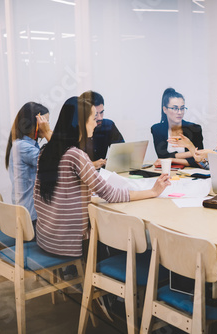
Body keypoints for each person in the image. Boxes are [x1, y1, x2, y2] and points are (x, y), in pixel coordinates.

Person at [34, 92, 170, 258]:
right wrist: (153, 191)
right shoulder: (75, 155)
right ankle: (105, 277)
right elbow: (111, 194)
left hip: (46, 239)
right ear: (80, 124)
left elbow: (40, 196)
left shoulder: (45, 151)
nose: (95, 123)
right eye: (92, 118)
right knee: (117, 238)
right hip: (69, 244)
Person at [5, 102, 52, 224]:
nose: (47, 125)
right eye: (44, 122)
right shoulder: (23, 147)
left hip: (25, 215)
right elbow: (57, 161)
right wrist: (48, 133)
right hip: (30, 220)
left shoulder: (22, 144)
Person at [151, 88, 203, 167]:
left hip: (190, 173)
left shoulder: (195, 129)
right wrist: (190, 153)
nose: (180, 112)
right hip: (167, 172)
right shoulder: (157, 129)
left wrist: (171, 159)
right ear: (165, 109)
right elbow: (162, 157)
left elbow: (199, 158)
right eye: (175, 108)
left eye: (182, 108)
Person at [90, 91, 124, 169]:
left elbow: (122, 152)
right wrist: (91, 165)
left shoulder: (108, 125)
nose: (100, 118)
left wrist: (109, 161)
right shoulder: (76, 129)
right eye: (95, 114)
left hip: (103, 172)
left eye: (101, 112)